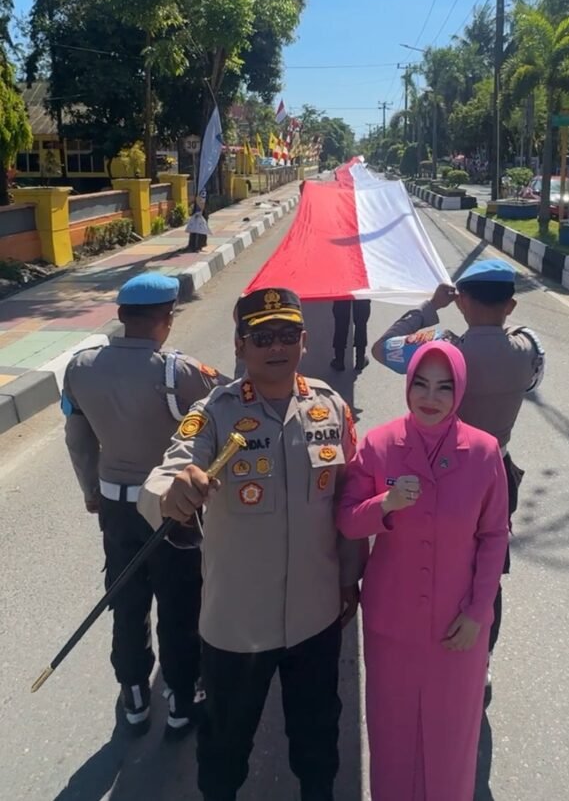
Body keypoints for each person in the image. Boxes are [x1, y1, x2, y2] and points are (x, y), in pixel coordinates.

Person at [138, 287, 368, 801]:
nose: (275, 346)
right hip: (237, 624)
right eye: (261, 336)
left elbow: (350, 496)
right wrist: (170, 494)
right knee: (224, 746)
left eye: (287, 334)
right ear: (240, 346)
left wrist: (350, 575)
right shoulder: (214, 412)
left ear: (305, 341)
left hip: (315, 614)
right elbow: (169, 472)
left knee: (318, 735)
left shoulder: (330, 408)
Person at [337, 340, 509, 801]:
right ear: (408, 385)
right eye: (421, 385)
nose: (430, 398)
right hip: (392, 623)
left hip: (458, 626)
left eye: (444, 387)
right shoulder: (378, 445)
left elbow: (494, 536)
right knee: (392, 733)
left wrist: (477, 613)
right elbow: (347, 519)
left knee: (451, 735)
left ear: (459, 392)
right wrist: (385, 504)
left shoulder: (484, 452)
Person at [61, 272, 227, 737]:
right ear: (167, 319)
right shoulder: (179, 370)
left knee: (125, 596)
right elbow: (229, 407)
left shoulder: (80, 367)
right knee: (180, 601)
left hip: (114, 507)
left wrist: (90, 490)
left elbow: (77, 437)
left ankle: (134, 692)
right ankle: (179, 697)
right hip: (170, 508)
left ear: (120, 316)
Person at [371, 259, 545, 687]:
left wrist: (430, 309)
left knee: (432, 561)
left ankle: (423, 647)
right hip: (499, 468)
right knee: (489, 567)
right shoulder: (530, 349)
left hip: (441, 472)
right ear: (511, 305)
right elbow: (531, 382)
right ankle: (480, 662)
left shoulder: (445, 351)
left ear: (462, 301)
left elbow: (384, 348)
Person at [330, 299, 371, 372]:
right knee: (361, 322)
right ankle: (360, 359)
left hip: (343, 288)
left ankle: (339, 359)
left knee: (341, 321)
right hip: (360, 288)